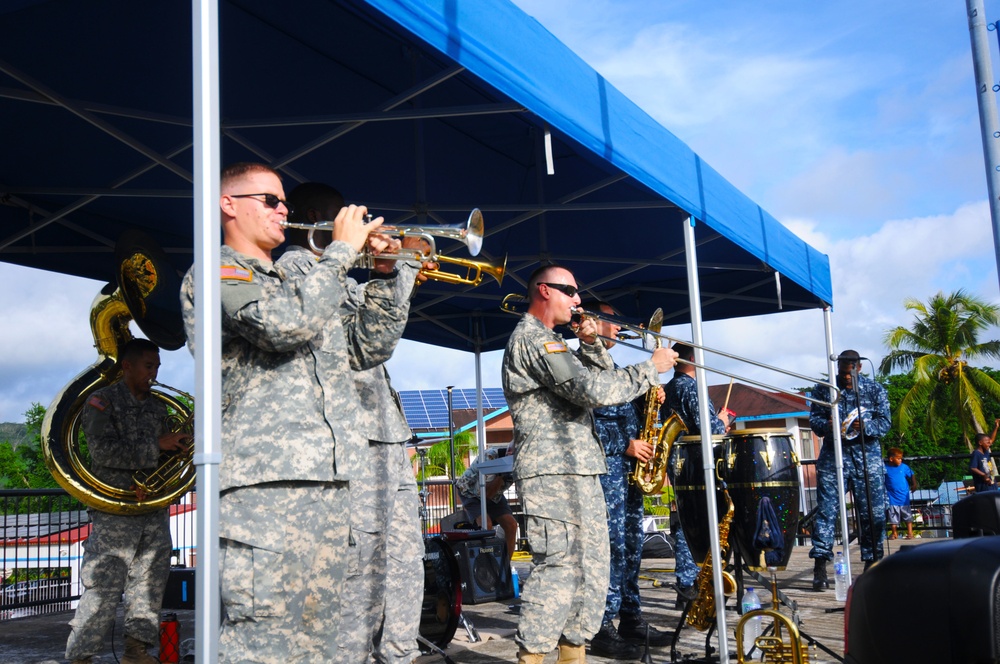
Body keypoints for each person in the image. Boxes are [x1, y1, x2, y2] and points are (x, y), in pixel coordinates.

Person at [180, 162, 382, 662]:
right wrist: (340, 255)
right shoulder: (218, 270)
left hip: (327, 478)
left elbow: (366, 347)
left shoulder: (303, 280)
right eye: (270, 200)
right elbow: (281, 325)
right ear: (228, 205)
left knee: (316, 642)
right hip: (263, 489)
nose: (284, 210)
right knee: (261, 641)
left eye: (285, 202)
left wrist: (388, 273)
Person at [278, 181, 428, 663]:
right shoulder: (298, 268)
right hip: (348, 441)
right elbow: (362, 347)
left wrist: (395, 271)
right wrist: (391, 272)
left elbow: (376, 338)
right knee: (359, 573)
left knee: (406, 568)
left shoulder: (341, 277)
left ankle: (399, 656)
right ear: (317, 219)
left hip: (384, 438)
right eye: (345, 216)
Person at [501, 265, 677, 664]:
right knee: (558, 570)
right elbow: (590, 391)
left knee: (591, 571)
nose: (578, 300)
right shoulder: (533, 340)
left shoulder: (556, 343)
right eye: (570, 291)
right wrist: (651, 368)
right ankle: (533, 656)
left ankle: (574, 651)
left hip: (580, 469)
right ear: (544, 291)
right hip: (551, 473)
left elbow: (597, 380)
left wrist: (594, 345)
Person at [65, 338, 191, 664]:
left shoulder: (158, 406)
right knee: (104, 584)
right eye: (149, 366)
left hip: (152, 508)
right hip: (115, 510)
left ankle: (137, 650)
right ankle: (81, 656)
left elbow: (166, 457)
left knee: (150, 583)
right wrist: (157, 445)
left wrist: (176, 449)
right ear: (128, 366)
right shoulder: (101, 401)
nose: (155, 372)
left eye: (158, 366)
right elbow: (102, 452)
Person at [584, 300, 672, 659]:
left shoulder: (616, 369)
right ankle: (601, 626)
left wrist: (651, 398)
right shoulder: (579, 366)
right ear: (591, 323)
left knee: (632, 546)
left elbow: (626, 414)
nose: (619, 329)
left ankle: (631, 616)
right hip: (604, 477)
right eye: (611, 322)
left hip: (628, 478)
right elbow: (582, 427)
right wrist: (626, 445)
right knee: (609, 550)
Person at [808, 349, 891, 590]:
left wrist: (865, 425)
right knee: (826, 511)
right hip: (834, 457)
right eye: (842, 372)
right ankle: (821, 564)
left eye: (849, 373)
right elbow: (814, 422)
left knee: (872, 512)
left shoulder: (875, 389)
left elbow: (885, 423)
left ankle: (873, 562)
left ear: (858, 368)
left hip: (867, 458)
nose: (845, 377)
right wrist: (828, 424)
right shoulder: (825, 389)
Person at [661, 342, 731, 606]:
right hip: (697, 462)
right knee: (703, 520)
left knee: (685, 520)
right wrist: (722, 421)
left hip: (678, 461)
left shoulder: (669, 388)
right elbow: (707, 427)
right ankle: (695, 581)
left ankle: (687, 581)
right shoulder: (691, 388)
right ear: (692, 358)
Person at [454, 447, 519, 563]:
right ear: (509, 453)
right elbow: (486, 494)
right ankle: (484, 564)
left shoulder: (519, 462)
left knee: (512, 525)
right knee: (486, 526)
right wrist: (501, 474)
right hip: (470, 491)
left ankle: (505, 567)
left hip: (495, 493)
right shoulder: (489, 458)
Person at [884, 447, 917, 540]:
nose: (900, 460)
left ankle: (910, 533)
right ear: (891, 459)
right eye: (898, 458)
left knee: (907, 515)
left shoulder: (904, 467)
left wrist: (914, 484)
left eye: (901, 458)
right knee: (893, 516)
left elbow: (912, 474)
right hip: (891, 496)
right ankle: (894, 533)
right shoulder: (885, 468)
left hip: (903, 496)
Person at [970, 420, 1000, 493]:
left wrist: (996, 427)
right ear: (980, 443)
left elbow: (991, 440)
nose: (989, 444)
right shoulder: (976, 454)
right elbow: (973, 468)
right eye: (987, 443)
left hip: (991, 483)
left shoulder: (985, 451)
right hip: (983, 485)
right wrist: (983, 475)